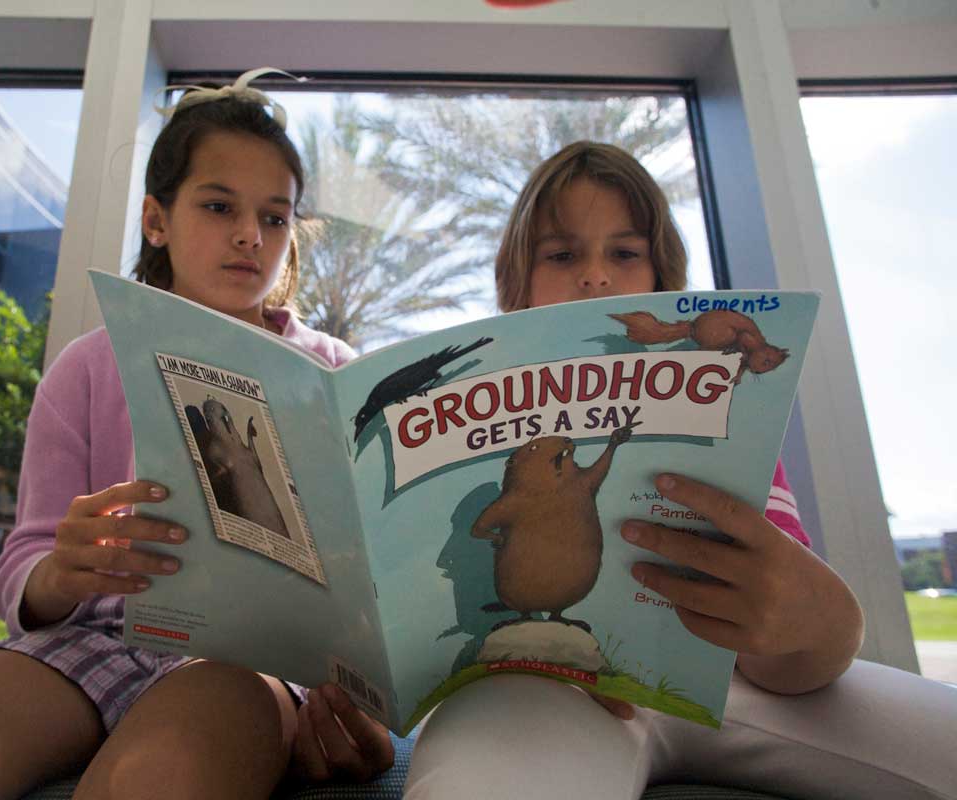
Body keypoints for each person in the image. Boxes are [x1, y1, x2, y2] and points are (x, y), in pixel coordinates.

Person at [0, 69, 394, 800]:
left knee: (163, 781)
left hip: (245, 662)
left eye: (276, 218)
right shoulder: (88, 368)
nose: (251, 235)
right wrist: (59, 575)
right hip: (84, 641)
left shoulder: (336, 374)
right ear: (156, 219)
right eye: (219, 206)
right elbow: (25, 559)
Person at [403, 141, 957, 800]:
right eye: (561, 254)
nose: (596, 277)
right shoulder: (468, 420)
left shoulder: (725, 413)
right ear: (514, 287)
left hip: (732, 683)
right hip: (538, 682)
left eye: (624, 253)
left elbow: (783, 655)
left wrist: (829, 631)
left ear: (663, 283)